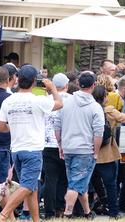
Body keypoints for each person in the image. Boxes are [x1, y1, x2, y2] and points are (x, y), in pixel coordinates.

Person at [0, 65, 63, 222]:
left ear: (17, 79)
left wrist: (16, 127)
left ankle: (36, 220)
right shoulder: (38, 100)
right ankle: (3, 215)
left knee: (32, 188)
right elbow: (59, 103)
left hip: (16, 149)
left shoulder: (8, 100)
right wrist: (52, 88)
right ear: (34, 81)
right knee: (27, 186)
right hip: (33, 150)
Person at [55, 71, 103, 219]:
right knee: (76, 184)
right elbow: (98, 133)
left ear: (77, 84)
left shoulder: (66, 102)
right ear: (93, 85)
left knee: (78, 182)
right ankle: (68, 213)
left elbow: (57, 126)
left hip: (68, 147)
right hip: (85, 150)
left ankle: (87, 212)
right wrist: (96, 151)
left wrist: (60, 145)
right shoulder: (95, 107)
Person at [91, 85, 125, 219]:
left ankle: (90, 207)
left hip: (90, 151)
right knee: (111, 184)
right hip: (107, 153)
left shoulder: (89, 109)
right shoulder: (109, 110)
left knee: (91, 183)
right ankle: (113, 212)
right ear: (104, 97)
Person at [42, 73, 70, 219]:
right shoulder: (72, 100)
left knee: (50, 179)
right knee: (65, 178)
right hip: (67, 144)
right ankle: (61, 207)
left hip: (48, 143)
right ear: (66, 85)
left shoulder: (45, 100)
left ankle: (49, 212)